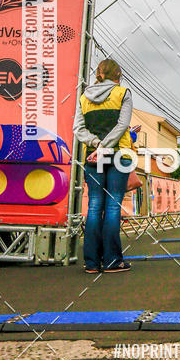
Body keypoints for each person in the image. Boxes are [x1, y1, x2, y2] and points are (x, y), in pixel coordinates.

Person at [73, 58, 134, 273]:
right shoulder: (123, 93)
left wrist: (96, 145)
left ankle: (91, 262)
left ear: (99, 74)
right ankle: (112, 261)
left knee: (94, 206)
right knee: (113, 206)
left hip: (92, 157)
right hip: (119, 154)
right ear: (118, 75)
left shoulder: (84, 97)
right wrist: (106, 147)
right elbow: (123, 125)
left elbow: (78, 129)